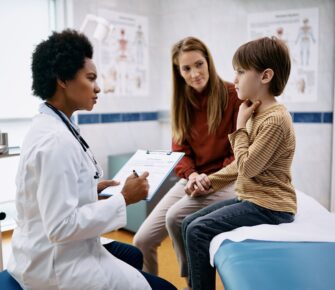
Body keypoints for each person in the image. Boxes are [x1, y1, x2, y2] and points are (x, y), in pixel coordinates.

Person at [7, 29, 176, 290]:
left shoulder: (51, 124)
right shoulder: (55, 141)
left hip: (43, 249)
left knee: (132, 256)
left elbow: (51, 196)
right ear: (62, 79)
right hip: (56, 268)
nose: (98, 87)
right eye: (91, 78)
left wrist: (89, 190)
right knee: (165, 288)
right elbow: (61, 227)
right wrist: (124, 198)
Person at [182, 36, 296, 290]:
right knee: (188, 223)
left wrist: (239, 126)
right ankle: (194, 284)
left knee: (198, 230)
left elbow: (246, 167)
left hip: (271, 207)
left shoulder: (275, 120)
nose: (234, 79)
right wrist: (209, 181)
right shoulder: (257, 112)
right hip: (252, 199)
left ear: (265, 76)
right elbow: (240, 166)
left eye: (241, 72)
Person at [133, 36, 241, 280]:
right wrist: (192, 175)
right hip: (193, 178)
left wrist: (209, 179)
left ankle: (192, 280)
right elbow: (180, 151)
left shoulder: (233, 96)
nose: (195, 73)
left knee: (176, 217)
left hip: (225, 179)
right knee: (141, 240)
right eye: (187, 68)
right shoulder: (182, 103)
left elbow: (238, 153)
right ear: (178, 72)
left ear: (208, 62)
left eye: (199, 64)